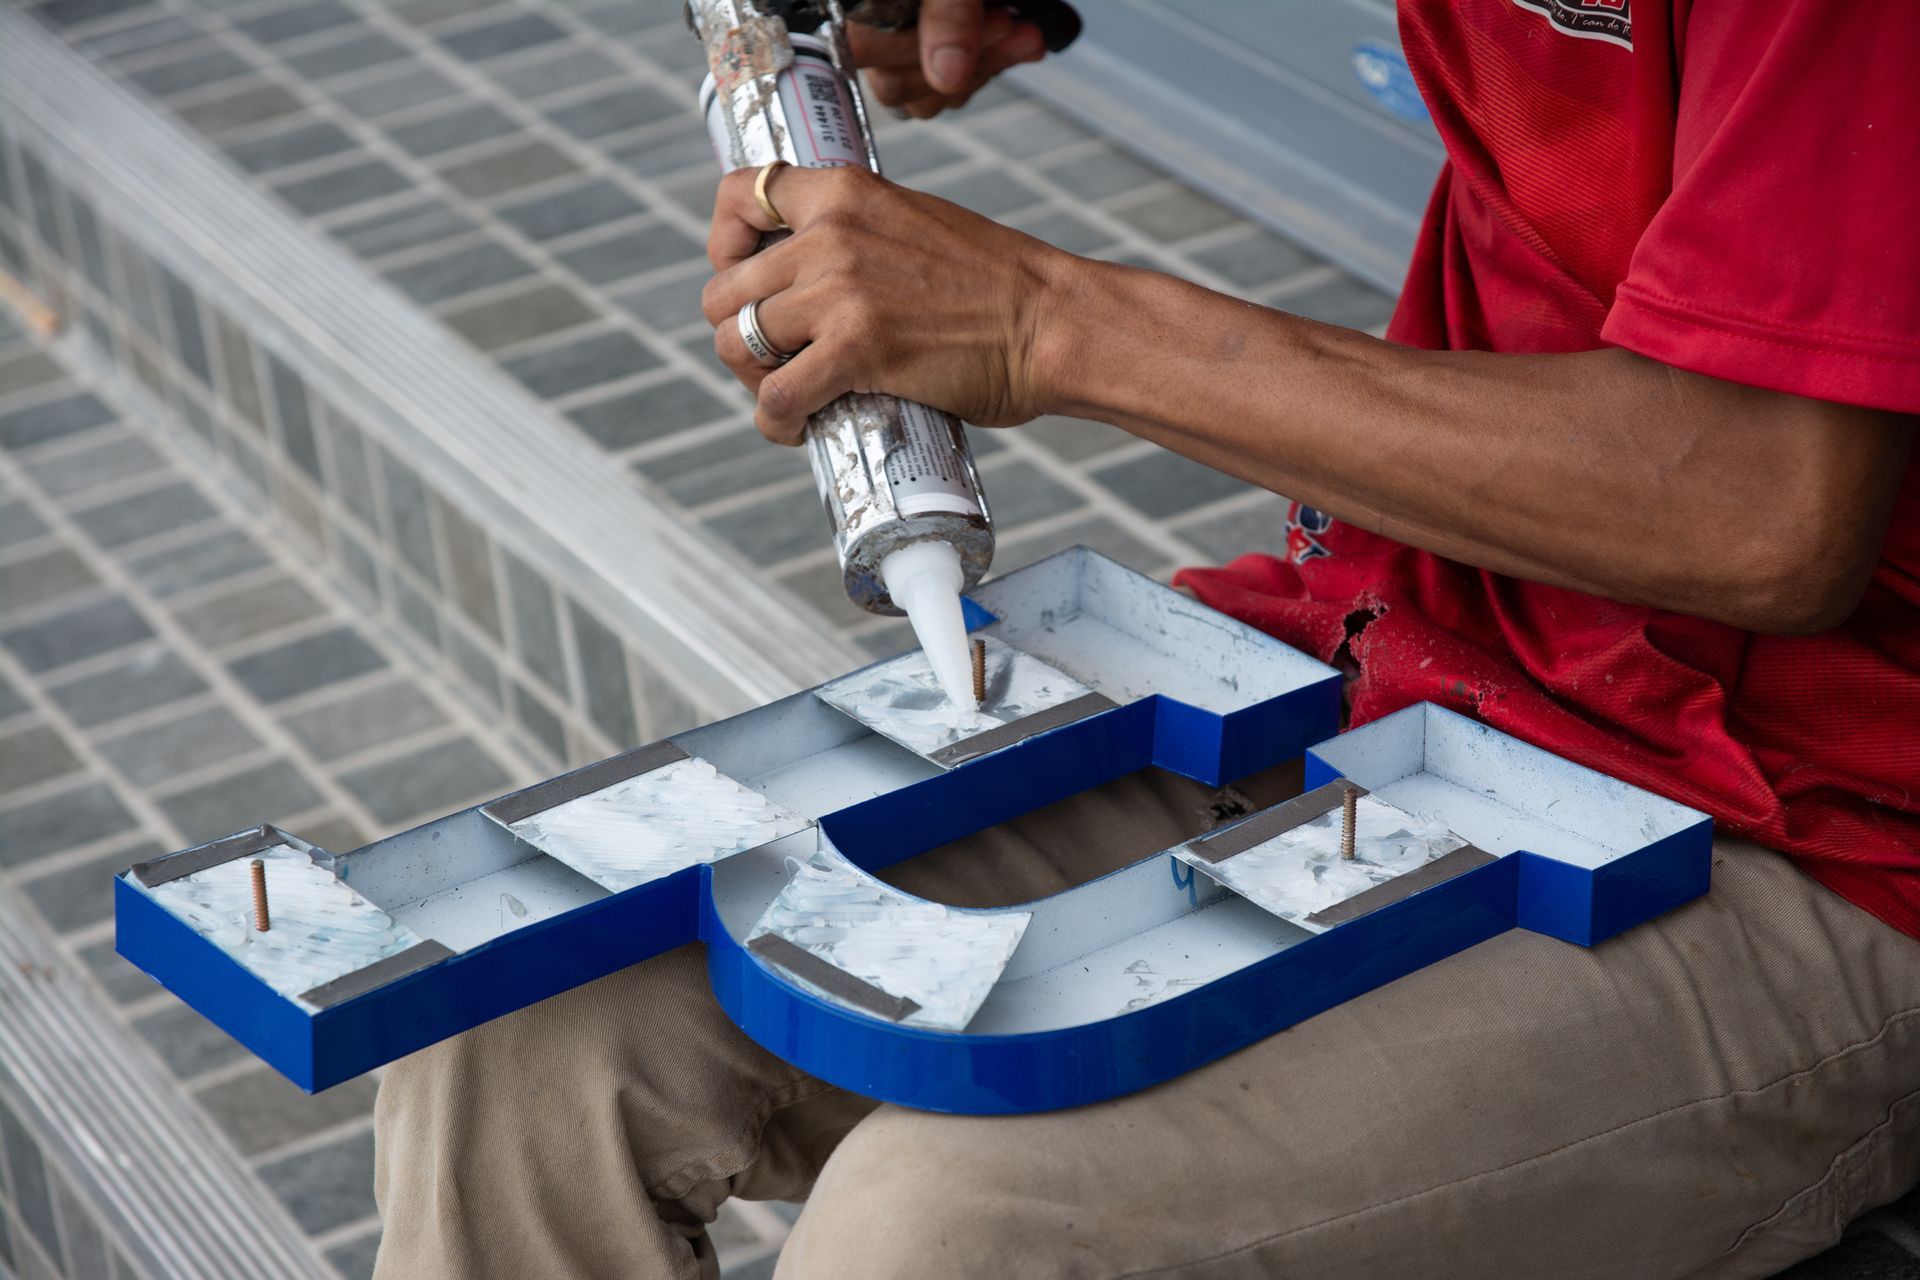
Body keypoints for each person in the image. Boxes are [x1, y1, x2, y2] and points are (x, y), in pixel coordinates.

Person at [372, 1, 1920, 1276]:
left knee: (941, 1236)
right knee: (514, 1025)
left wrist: (1046, 318)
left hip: (1808, 823)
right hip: (1399, 641)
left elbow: (1762, 505)